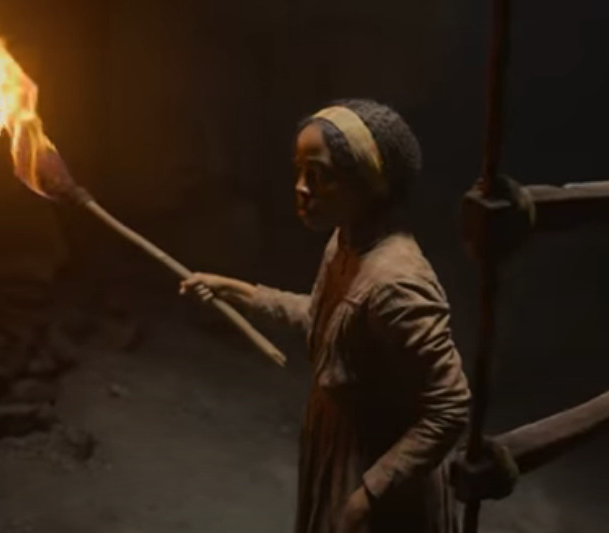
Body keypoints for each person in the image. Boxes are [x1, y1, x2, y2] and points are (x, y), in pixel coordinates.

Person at [180, 99, 471, 533]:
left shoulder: (397, 284)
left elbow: (450, 406)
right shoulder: (343, 243)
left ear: (368, 183)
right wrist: (236, 291)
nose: (302, 188)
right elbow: (325, 321)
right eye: (300, 171)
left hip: (380, 470)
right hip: (342, 452)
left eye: (320, 176)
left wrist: (370, 492)